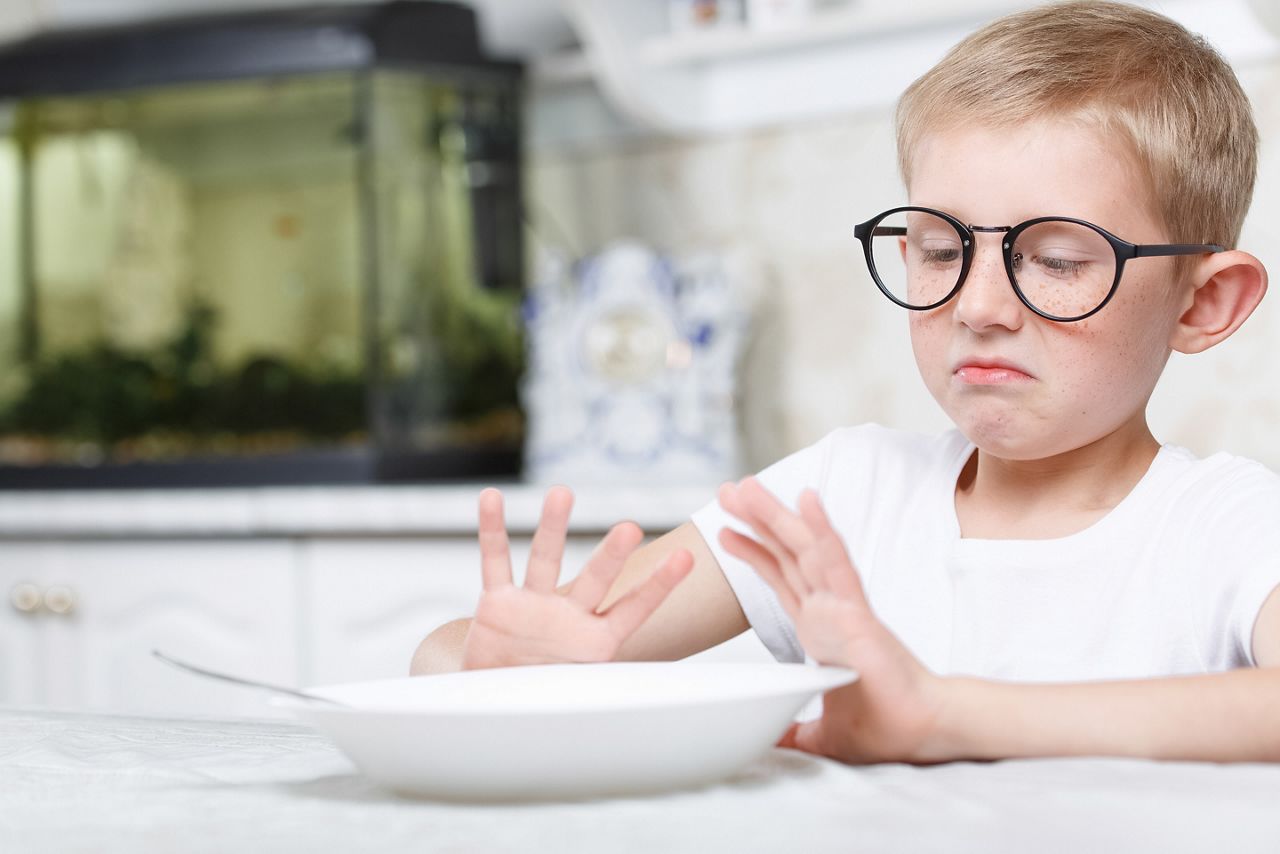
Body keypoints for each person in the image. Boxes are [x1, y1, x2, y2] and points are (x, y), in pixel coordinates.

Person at [410, 0, 1280, 765]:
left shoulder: (1226, 525)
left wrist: (942, 716)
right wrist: (493, 669)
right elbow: (463, 654)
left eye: (1053, 260)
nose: (977, 305)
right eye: (941, 249)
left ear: (1204, 304)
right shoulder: (839, 499)